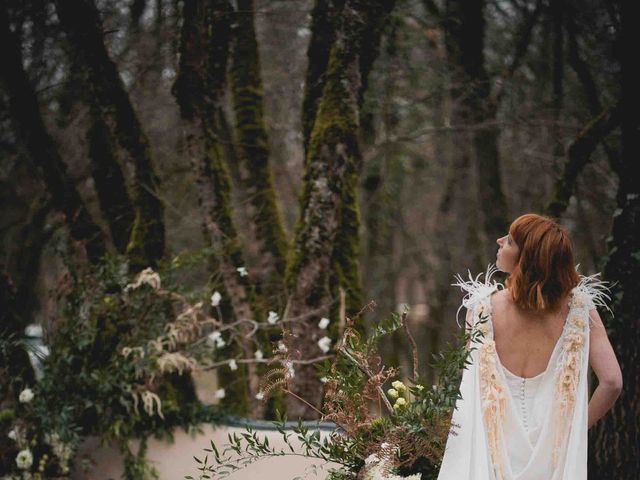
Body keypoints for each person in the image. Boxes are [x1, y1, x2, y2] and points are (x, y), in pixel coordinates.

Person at [436, 213, 623, 480]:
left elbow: (471, 389)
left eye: (510, 241)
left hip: (491, 458)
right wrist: (575, 431)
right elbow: (612, 382)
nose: (500, 241)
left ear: (526, 257)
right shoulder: (580, 311)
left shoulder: (481, 309)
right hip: (555, 457)